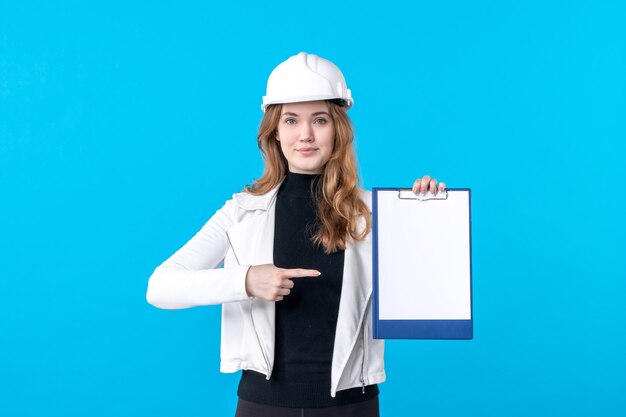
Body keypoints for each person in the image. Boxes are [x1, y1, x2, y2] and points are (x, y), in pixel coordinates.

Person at [146, 51, 446, 417]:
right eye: (291, 120)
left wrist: (428, 215)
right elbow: (160, 287)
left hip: (352, 407)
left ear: (338, 129)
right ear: (274, 130)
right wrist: (246, 281)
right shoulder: (241, 212)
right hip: (263, 406)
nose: (305, 135)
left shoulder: (376, 212)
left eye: (319, 120)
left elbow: (427, 294)